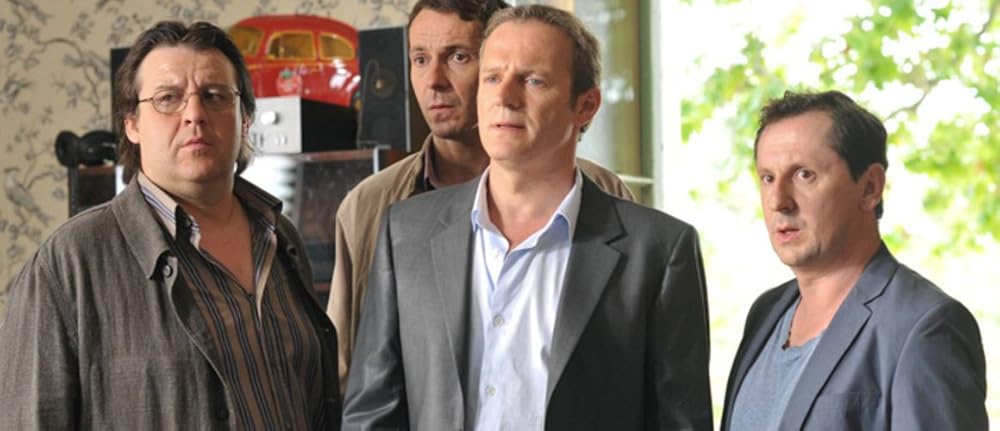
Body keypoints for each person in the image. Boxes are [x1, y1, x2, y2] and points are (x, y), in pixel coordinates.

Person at [342, 5, 712, 430]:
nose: (505, 98)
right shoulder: (405, 232)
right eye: (492, 78)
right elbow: (372, 414)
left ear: (586, 106)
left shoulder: (659, 252)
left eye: (533, 80)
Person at [0, 21, 341, 429]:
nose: (195, 115)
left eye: (214, 96)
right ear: (131, 123)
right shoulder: (68, 265)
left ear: (245, 118)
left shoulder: (280, 238)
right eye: (168, 98)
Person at [326, 0, 634, 393]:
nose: (434, 80)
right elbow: (347, 372)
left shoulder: (602, 192)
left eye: (458, 57)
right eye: (420, 59)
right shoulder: (371, 207)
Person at [721, 90, 987, 430]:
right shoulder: (766, 313)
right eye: (768, 178)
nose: (778, 201)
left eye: (804, 174)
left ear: (870, 187)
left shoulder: (924, 327)